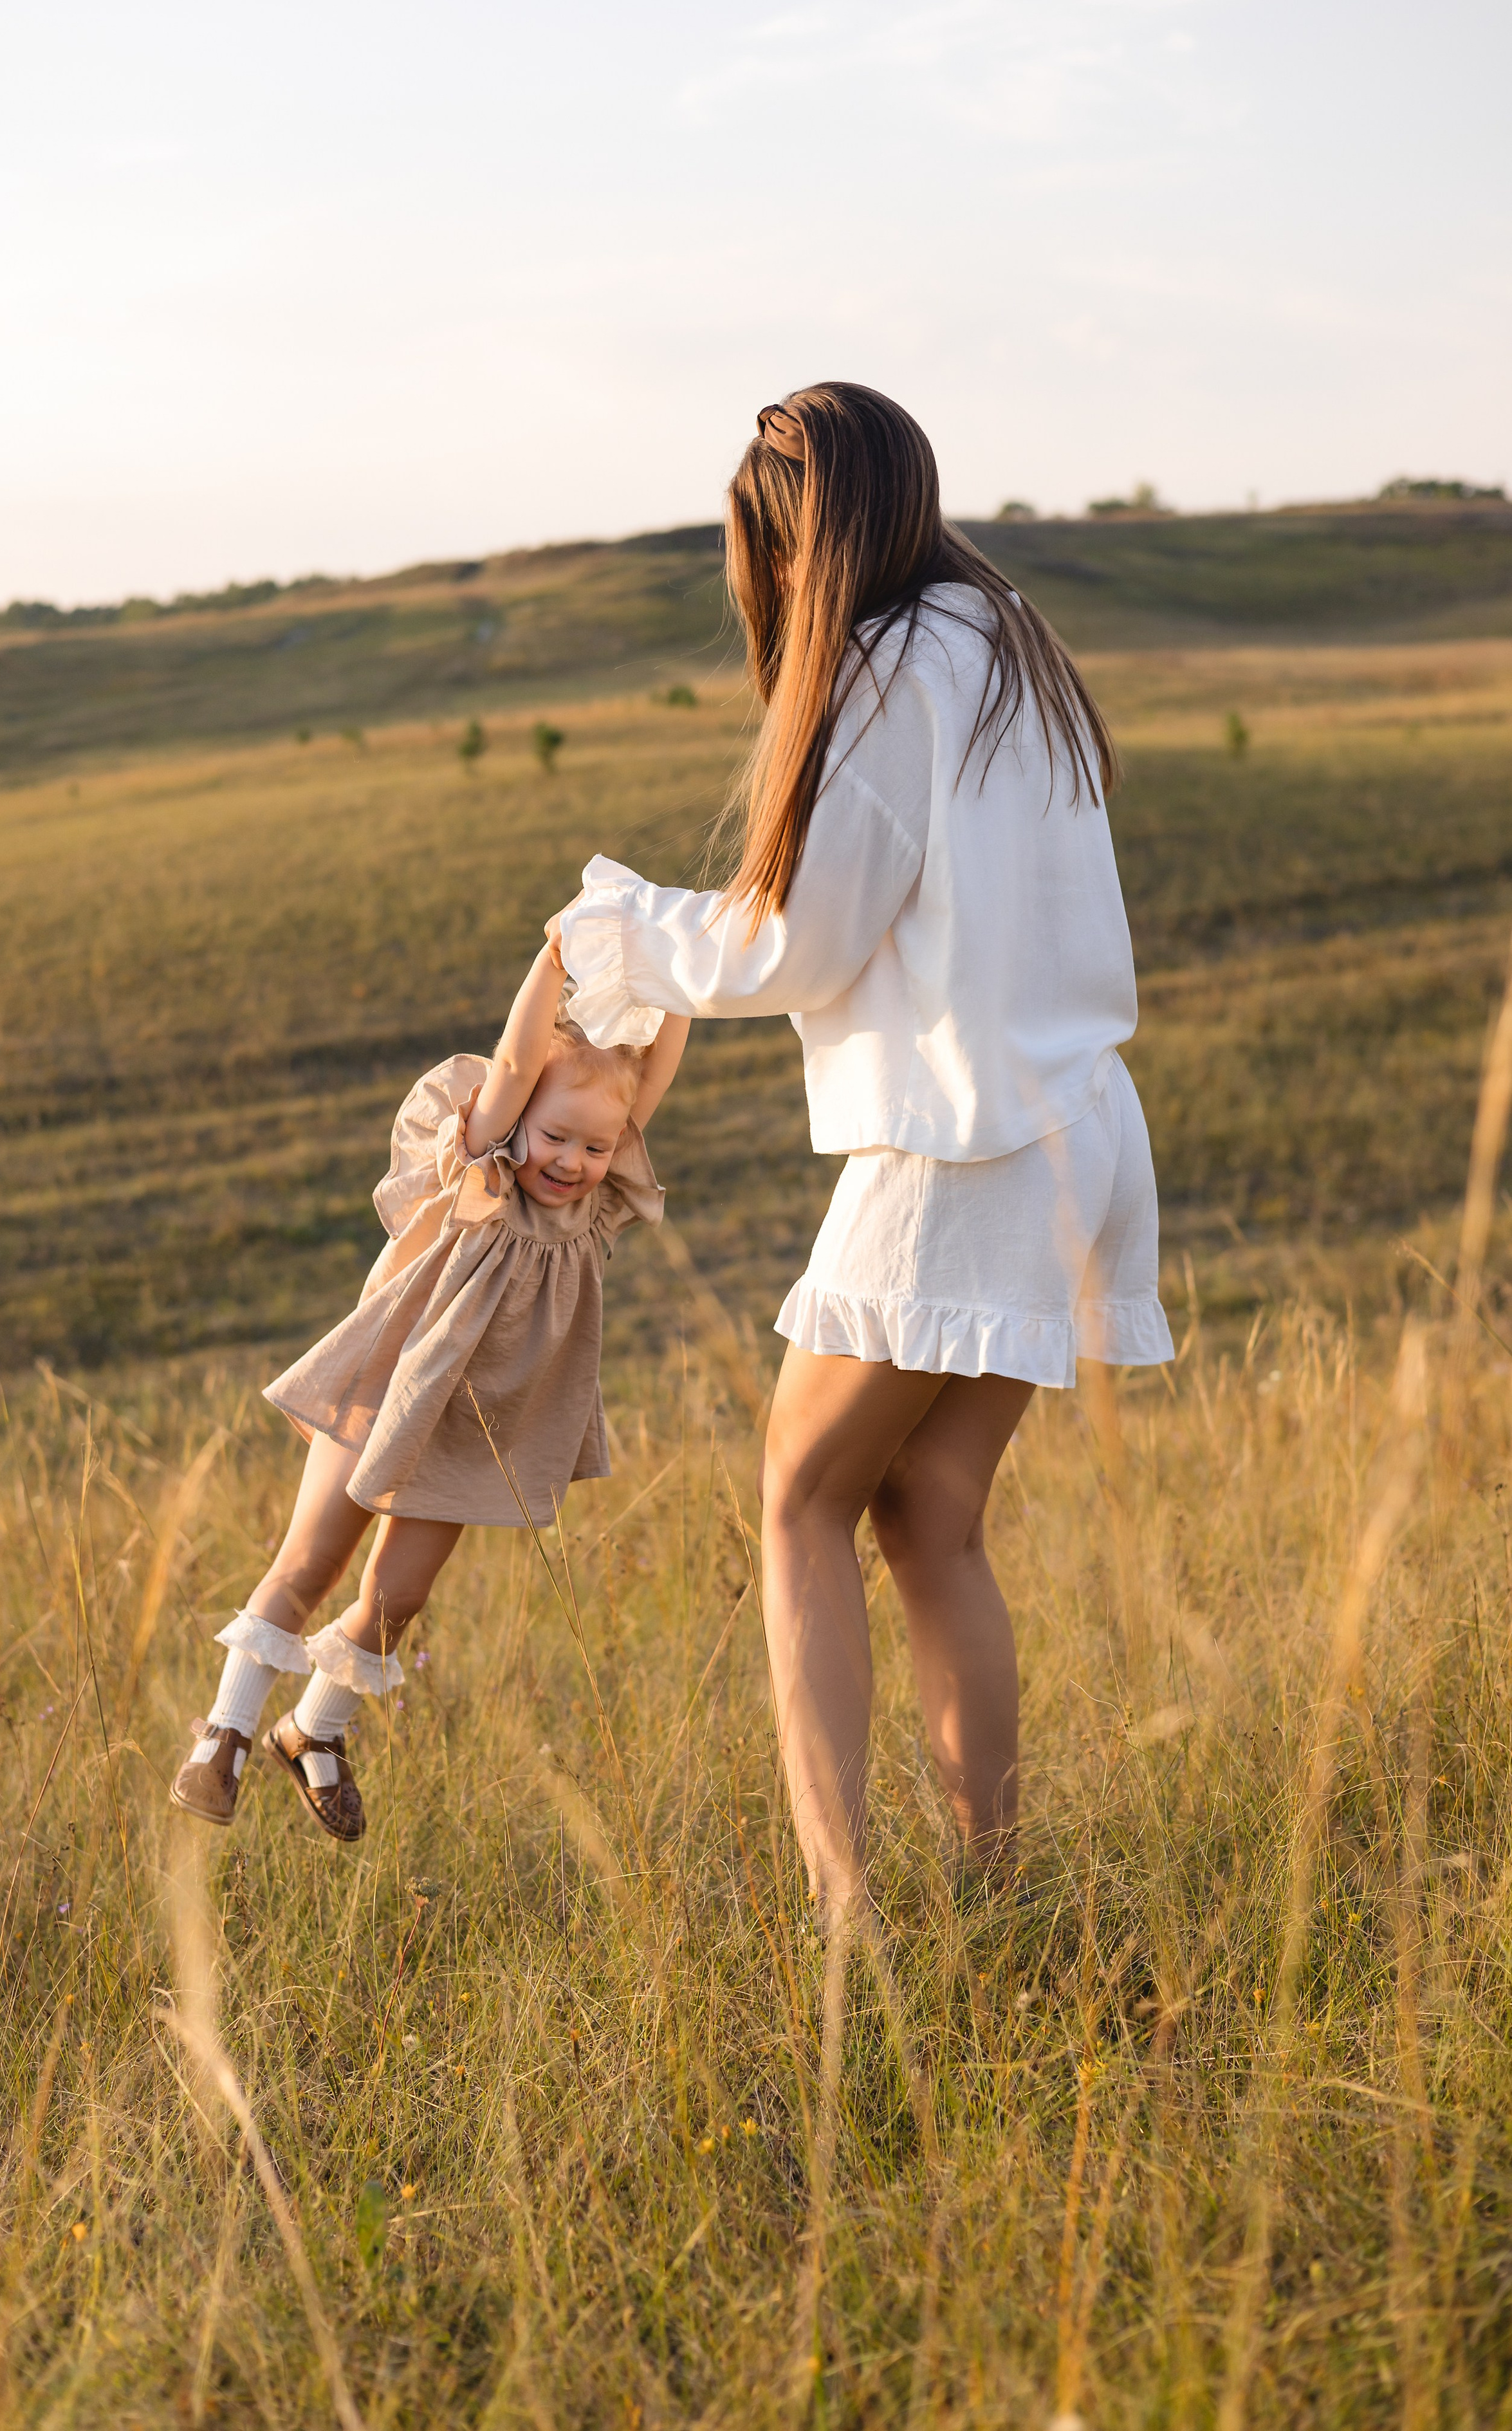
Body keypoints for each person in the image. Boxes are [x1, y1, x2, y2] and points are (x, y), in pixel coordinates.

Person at [552, 382, 1173, 1930]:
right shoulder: (1005, 633)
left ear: (799, 539)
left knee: (795, 1498)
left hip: (962, 1142)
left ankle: (844, 1919)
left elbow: (800, 942)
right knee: (925, 1515)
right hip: (1076, 1127)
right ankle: (992, 1893)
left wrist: (620, 940)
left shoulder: (891, 666)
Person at [170, 941, 689, 1840]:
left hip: (475, 1430)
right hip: (388, 1389)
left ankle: (315, 1733)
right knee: (311, 1562)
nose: (572, 1160)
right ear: (519, 1120)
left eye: (597, 1146)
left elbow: (650, 1085)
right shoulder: (483, 1167)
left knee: (397, 1597)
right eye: (557, 1137)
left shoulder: (593, 1212)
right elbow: (525, 1055)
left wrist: (685, 978)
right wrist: (555, 957)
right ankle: (227, 1733)